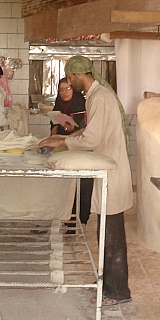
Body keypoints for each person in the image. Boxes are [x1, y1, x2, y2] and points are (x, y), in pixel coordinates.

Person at [39, 56, 133, 306]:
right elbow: (90, 133)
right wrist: (61, 140)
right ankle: (109, 285)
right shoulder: (96, 96)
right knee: (106, 233)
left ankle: (118, 291)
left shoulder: (99, 97)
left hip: (112, 171)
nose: (69, 83)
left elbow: (92, 140)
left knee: (111, 237)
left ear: (80, 75)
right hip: (107, 168)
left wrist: (63, 142)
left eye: (70, 78)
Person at [51, 77, 93, 227]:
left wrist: (73, 129)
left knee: (80, 185)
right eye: (61, 89)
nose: (64, 92)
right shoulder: (59, 103)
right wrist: (54, 129)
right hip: (63, 147)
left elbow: (87, 127)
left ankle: (79, 218)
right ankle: (65, 216)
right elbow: (54, 119)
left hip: (80, 148)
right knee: (65, 184)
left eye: (67, 89)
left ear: (73, 89)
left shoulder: (81, 103)